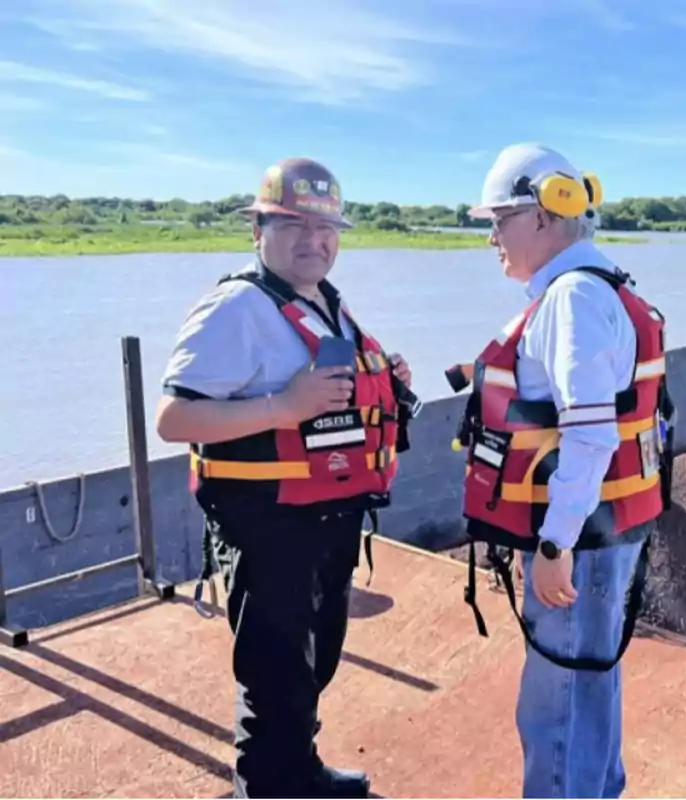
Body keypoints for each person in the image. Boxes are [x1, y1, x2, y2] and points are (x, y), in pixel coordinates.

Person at [155, 157, 415, 798]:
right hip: (269, 523)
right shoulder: (235, 307)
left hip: (330, 517)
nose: (313, 241)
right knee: (274, 675)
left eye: (325, 228)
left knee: (315, 660)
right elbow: (171, 418)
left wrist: (386, 383)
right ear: (258, 231)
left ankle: (300, 770)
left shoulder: (327, 302)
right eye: (293, 225)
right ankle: (267, 786)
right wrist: (282, 408)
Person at [449, 143, 676, 798]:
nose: (491, 236)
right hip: (605, 531)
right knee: (590, 681)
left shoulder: (572, 298)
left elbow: (589, 429)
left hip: (580, 539)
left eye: (499, 219)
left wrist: (554, 543)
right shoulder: (598, 289)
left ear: (547, 215)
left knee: (557, 704)